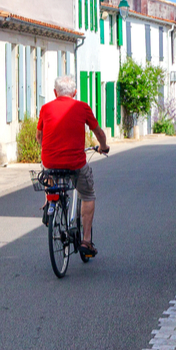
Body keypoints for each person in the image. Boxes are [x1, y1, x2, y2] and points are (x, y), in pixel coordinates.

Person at [38, 75, 110, 257]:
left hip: (51, 162)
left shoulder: (45, 109)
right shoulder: (82, 107)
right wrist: (103, 146)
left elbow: (39, 136)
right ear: (75, 92)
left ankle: (50, 202)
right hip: (75, 164)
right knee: (87, 194)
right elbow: (99, 132)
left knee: (49, 173)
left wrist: (47, 149)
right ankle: (86, 241)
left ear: (55, 93)